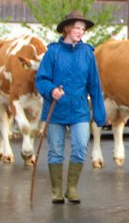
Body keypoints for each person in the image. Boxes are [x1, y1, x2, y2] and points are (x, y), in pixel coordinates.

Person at [35, 11, 106, 204]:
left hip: (80, 110)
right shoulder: (53, 52)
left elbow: (95, 85)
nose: (80, 31)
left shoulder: (87, 54)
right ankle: (57, 191)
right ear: (67, 28)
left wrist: (99, 114)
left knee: (81, 147)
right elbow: (41, 79)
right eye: (77, 27)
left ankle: (72, 188)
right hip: (56, 110)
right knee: (56, 150)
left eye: (83, 29)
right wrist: (51, 90)